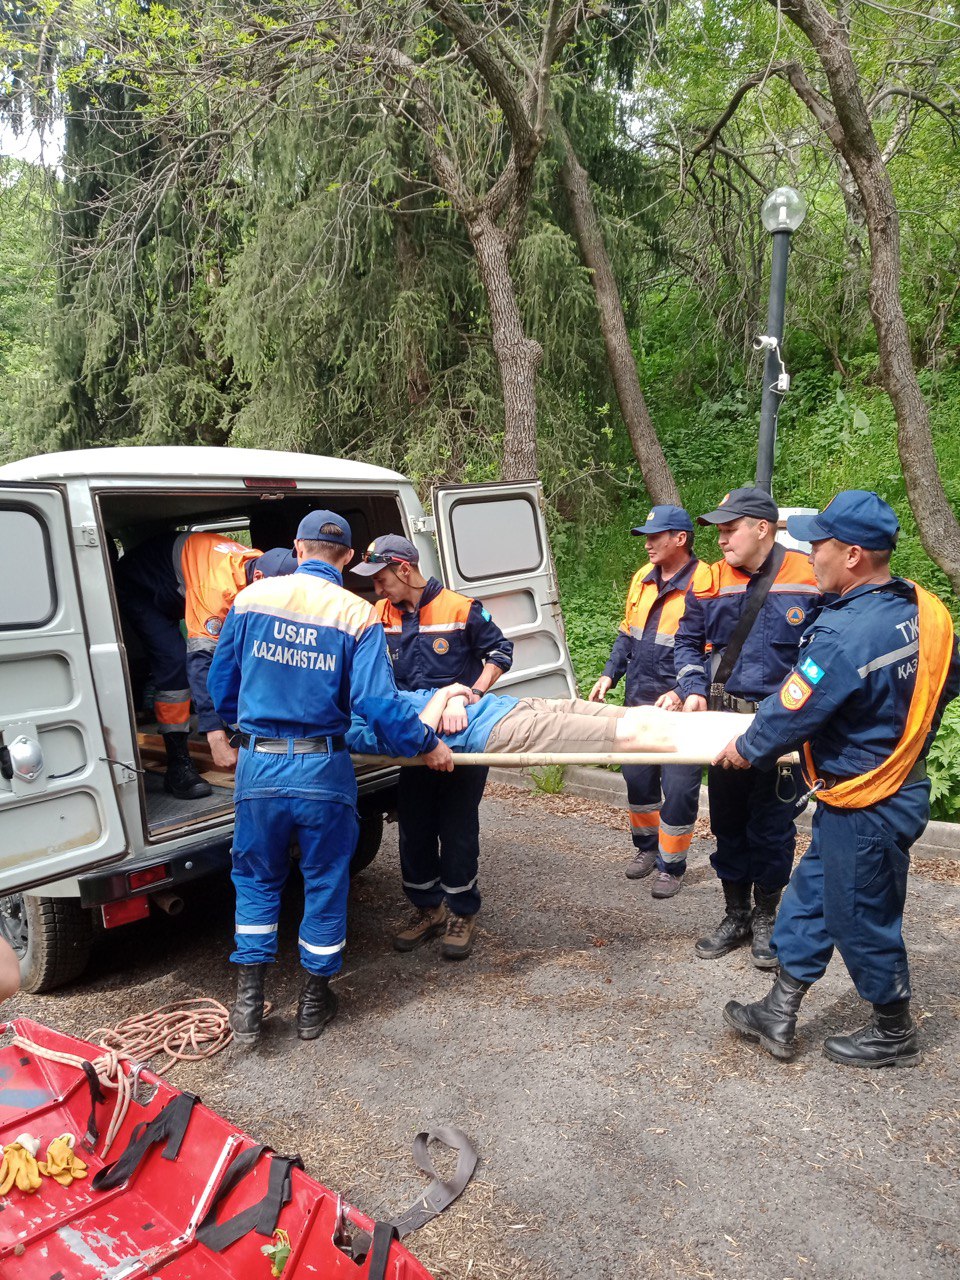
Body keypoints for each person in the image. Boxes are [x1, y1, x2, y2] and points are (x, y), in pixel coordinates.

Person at [716, 491, 959, 1067]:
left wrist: (745, 747)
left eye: (819, 544)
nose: (810, 553)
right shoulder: (923, 611)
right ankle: (780, 1007)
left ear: (852, 555)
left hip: (869, 799)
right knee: (812, 896)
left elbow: (793, 709)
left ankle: (894, 1030)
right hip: (879, 787)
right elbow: (944, 684)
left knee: (860, 914)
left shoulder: (845, 635)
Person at [207, 512, 453, 1047]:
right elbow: (375, 702)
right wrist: (426, 743)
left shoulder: (252, 601)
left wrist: (244, 723)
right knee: (324, 878)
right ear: (346, 560)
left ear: (297, 548)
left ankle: (249, 1005)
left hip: (261, 765)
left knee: (255, 877)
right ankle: (313, 1005)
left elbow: (221, 683)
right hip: (322, 766)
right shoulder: (356, 613)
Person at [673, 487, 821, 966]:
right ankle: (735, 910)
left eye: (729, 528)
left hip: (781, 732)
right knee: (728, 823)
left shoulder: (810, 577)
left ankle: (766, 915)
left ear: (763, 527)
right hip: (722, 724)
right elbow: (687, 642)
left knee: (773, 828)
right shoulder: (710, 580)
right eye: (717, 529)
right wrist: (693, 686)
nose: (720, 539)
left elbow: (822, 658)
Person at [352, 534, 513, 961]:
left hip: (459, 740)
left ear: (405, 569)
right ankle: (428, 909)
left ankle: (462, 910)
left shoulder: (460, 607)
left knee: (457, 825)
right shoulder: (377, 615)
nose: (378, 589)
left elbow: (500, 652)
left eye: (382, 579)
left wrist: (470, 695)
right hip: (412, 741)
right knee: (415, 825)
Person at [589, 505, 712, 899]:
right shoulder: (642, 577)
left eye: (656, 536)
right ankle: (645, 848)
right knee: (637, 777)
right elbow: (628, 633)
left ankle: (671, 865)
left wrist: (684, 691)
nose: (648, 543)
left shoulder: (706, 580)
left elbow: (713, 651)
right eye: (646, 535)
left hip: (684, 703)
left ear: (681, 538)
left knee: (679, 786)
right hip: (639, 696)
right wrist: (610, 673)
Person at [117, 533, 298, 799]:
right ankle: (178, 764)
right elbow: (202, 662)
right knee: (175, 663)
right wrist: (216, 736)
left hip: (179, 582)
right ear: (258, 579)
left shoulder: (264, 565)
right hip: (139, 587)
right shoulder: (217, 589)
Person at [347, 684, 715, 758]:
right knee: (636, 733)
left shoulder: (368, 688)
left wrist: (454, 695)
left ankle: (753, 729)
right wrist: (446, 696)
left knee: (636, 715)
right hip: (498, 731)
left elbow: (461, 691)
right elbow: (412, 738)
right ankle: (740, 741)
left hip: (510, 705)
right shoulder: (349, 726)